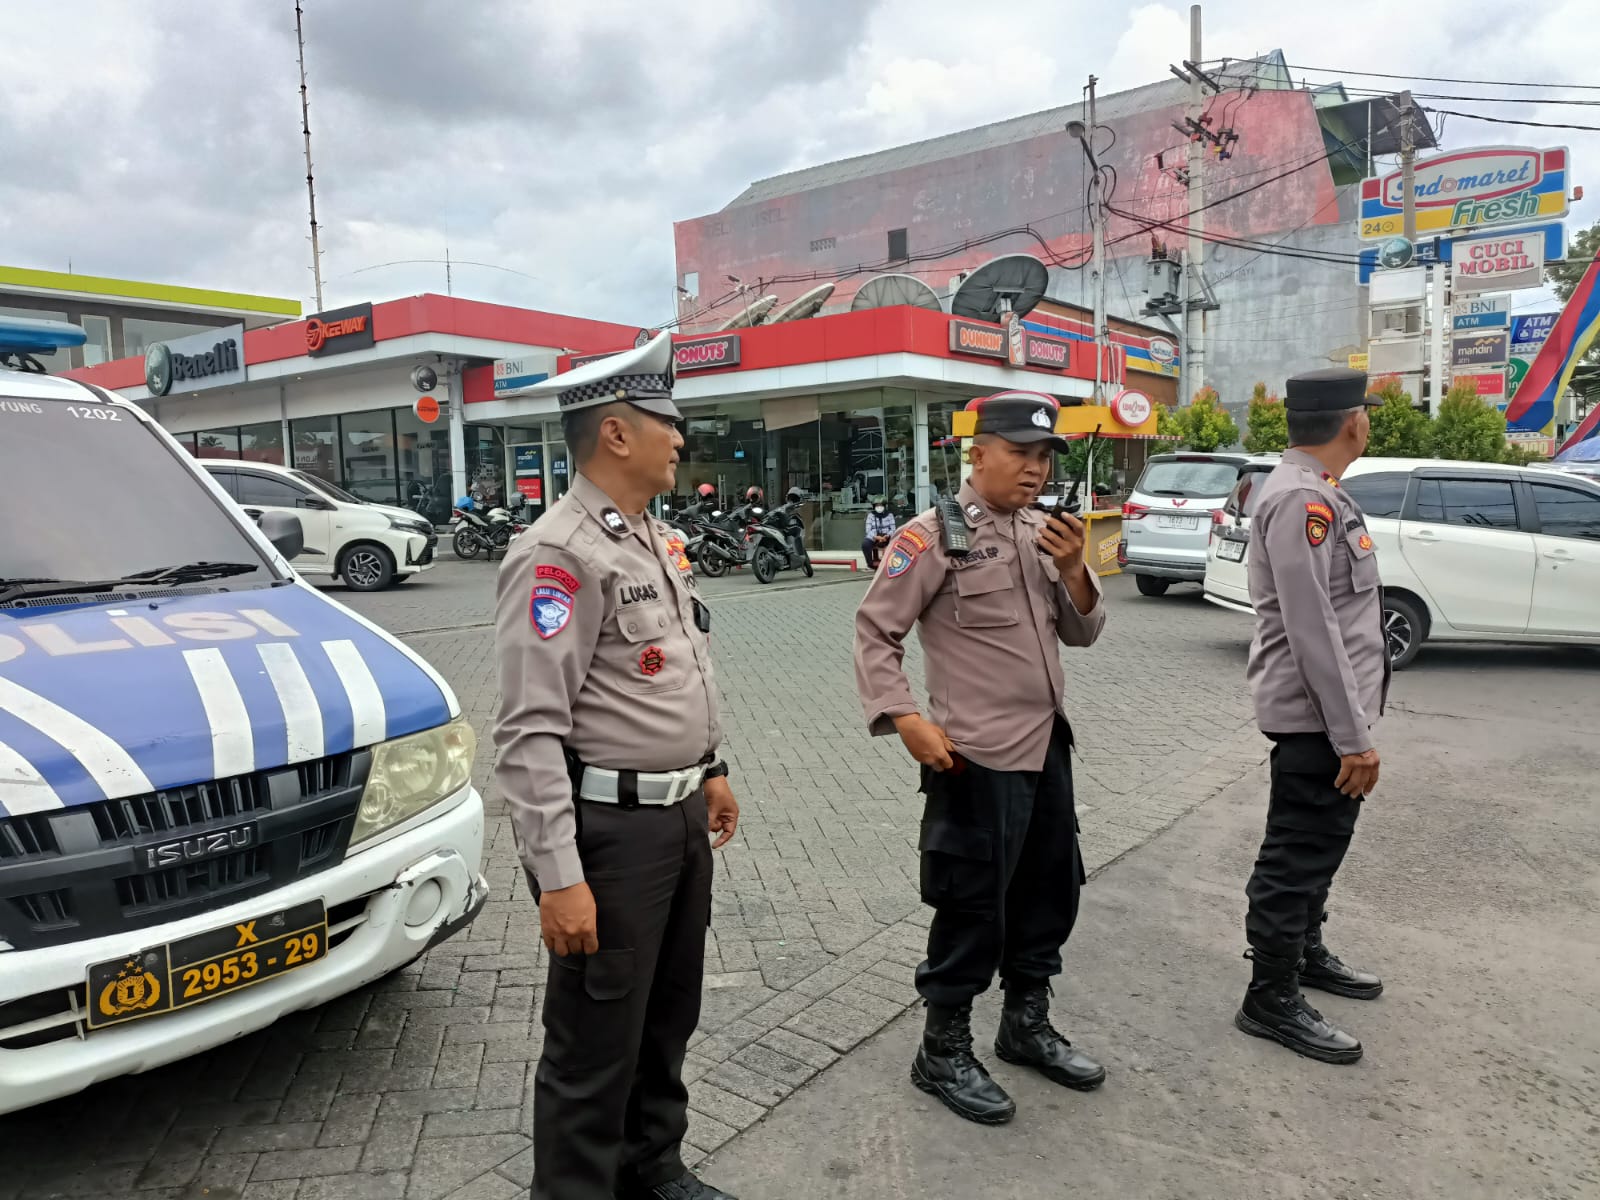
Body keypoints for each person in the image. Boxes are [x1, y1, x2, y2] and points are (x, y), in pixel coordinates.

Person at [493, 332, 741, 1200]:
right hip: (610, 838)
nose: (680, 438)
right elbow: (528, 732)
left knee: (668, 1016)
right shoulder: (559, 554)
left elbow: (672, 672)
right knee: (593, 1046)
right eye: (665, 422)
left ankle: (652, 1168)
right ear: (616, 433)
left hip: (678, 820)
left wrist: (710, 766)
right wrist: (559, 877)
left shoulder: (651, 540)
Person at [853, 390, 1108, 1126]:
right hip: (975, 757)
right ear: (980, 453)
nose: (1034, 470)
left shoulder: (1043, 533)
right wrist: (905, 718)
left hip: (1047, 745)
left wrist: (1075, 568)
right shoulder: (932, 534)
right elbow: (875, 631)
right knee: (971, 906)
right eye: (1021, 454)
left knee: (1048, 893)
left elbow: (1084, 634)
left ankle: (1025, 1023)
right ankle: (942, 1049)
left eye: (1044, 457)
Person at [1235, 367, 1389, 1066]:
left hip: (1331, 716)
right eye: (1367, 413)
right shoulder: (1302, 498)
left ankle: (1304, 951)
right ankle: (1270, 996)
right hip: (1317, 720)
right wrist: (1352, 737)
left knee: (1320, 847)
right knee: (1295, 856)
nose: (1368, 422)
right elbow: (1312, 626)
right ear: (1352, 421)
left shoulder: (1317, 489)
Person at [862, 497, 897, 569]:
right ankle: (870, 565)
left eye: (881, 505)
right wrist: (876, 537)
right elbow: (868, 530)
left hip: (886, 537)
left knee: (895, 543)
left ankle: (891, 565)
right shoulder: (871, 515)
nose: (879, 507)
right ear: (874, 506)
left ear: (884, 506)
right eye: (877, 505)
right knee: (865, 544)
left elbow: (893, 529)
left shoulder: (889, 515)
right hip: (874, 536)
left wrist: (887, 536)